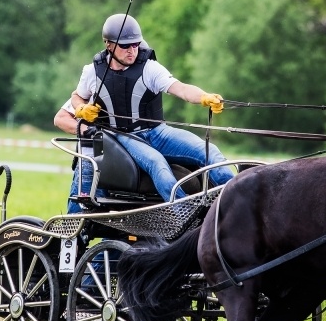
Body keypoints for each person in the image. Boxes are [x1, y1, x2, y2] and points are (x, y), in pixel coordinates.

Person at [70, 13, 234, 204]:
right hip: (123, 137)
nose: (132, 50)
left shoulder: (149, 68)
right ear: (109, 44)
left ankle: (236, 199)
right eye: (125, 46)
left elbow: (181, 89)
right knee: (158, 165)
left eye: (136, 44)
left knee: (209, 152)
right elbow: (77, 96)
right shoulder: (92, 72)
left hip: (157, 133)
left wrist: (204, 97)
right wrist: (80, 108)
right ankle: (183, 210)